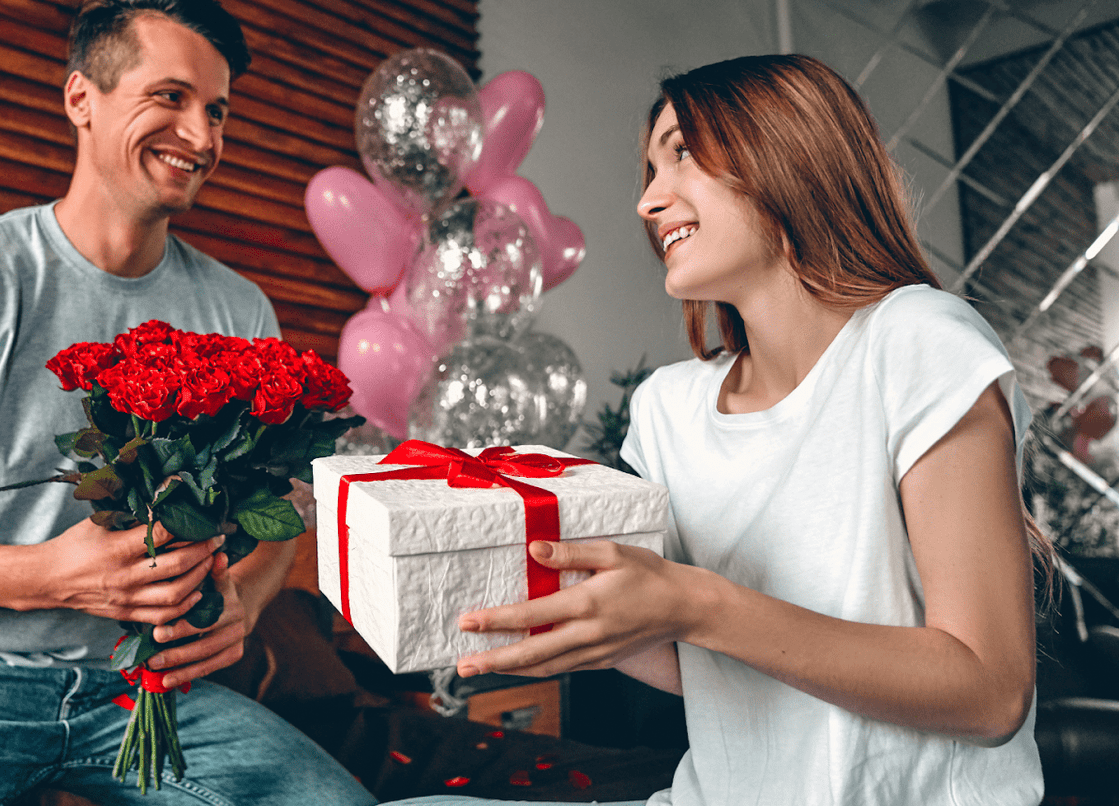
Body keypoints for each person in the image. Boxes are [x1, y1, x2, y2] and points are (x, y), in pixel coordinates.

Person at [385, 54, 1051, 805]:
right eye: (649, 169)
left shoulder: (918, 342)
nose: (648, 201)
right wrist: (598, 626)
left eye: (683, 154)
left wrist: (698, 603)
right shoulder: (669, 407)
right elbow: (714, 668)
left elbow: (990, 693)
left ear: (789, 151)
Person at [0, 0, 375, 806]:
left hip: (146, 692)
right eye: (170, 98)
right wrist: (48, 577)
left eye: (216, 111)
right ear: (82, 99)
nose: (201, 134)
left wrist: (238, 603)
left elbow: (279, 511)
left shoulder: (240, 309)